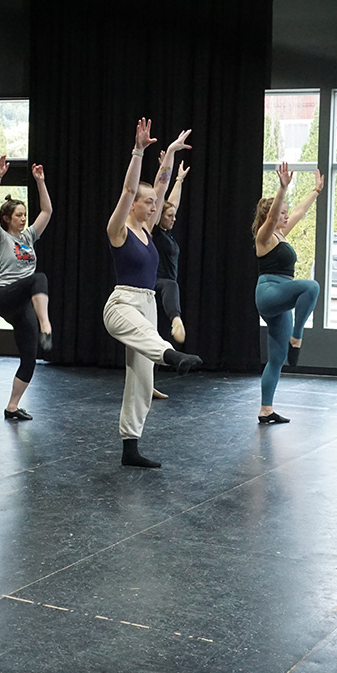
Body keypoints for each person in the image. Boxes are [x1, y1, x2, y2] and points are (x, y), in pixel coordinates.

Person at [103, 119, 202, 469]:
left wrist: (171, 154)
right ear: (134, 205)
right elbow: (131, 190)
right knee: (149, 337)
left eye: (152, 203)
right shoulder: (119, 229)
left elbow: (161, 186)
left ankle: (130, 449)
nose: (153, 206)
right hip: (122, 304)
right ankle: (172, 356)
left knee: (142, 383)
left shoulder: (147, 228)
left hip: (146, 303)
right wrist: (138, 151)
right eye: (147, 203)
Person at [252, 163, 323, 424]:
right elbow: (272, 219)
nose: (284, 216)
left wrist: (315, 191)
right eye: (280, 213)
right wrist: (282, 187)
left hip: (281, 299)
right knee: (311, 286)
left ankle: (266, 409)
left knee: (277, 359)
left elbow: (300, 211)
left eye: (284, 213)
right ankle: (297, 338)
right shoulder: (265, 236)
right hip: (270, 292)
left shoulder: (281, 234)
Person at [0, 155, 53, 421]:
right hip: (4, 295)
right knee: (40, 278)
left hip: (23, 303)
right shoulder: (0, 237)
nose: (24, 219)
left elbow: (47, 211)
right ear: (7, 219)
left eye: (25, 215)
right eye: (19, 215)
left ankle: (11, 407)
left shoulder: (28, 238)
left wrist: (40, 182)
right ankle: (46, 326)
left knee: (29, 357)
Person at [151, 159, 190, 399]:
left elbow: (172, 202)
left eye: (174, 216)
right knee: (171, 283)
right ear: (158, 216)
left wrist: (179, 180)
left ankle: (149, 384)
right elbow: (162, 198)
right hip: (154, 284)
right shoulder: (154, 230)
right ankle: (176, 318)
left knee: (154, 336)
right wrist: (165, 168)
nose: (174, 218)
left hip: (163, 291)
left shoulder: (168, 233)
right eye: (169, 216)